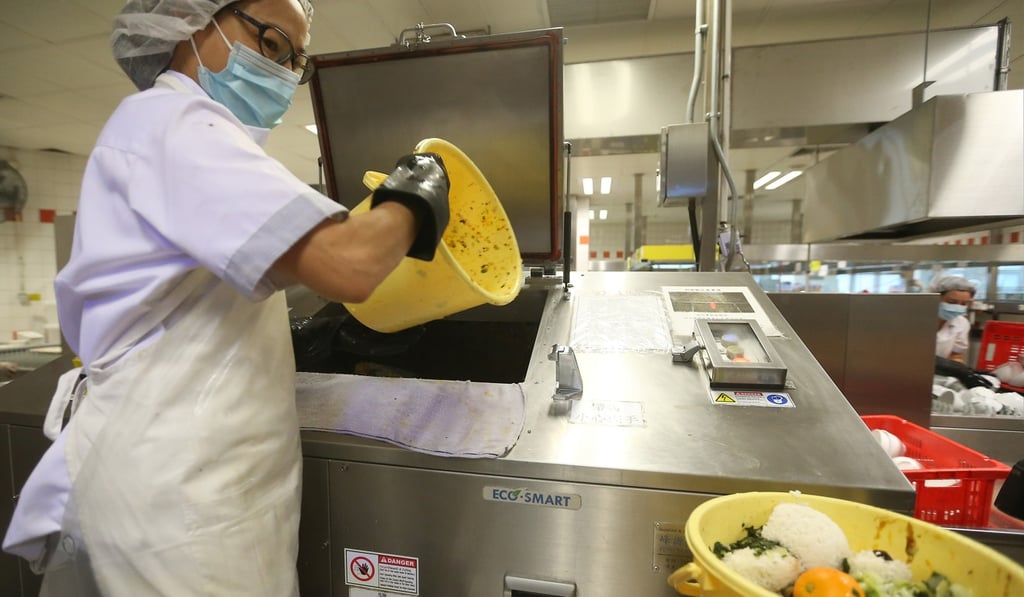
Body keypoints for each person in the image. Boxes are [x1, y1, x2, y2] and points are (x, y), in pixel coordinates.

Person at [2, 1, 449, 595]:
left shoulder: (192, 135)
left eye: (297, 60)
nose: (284, 73)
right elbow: (350, 264)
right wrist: (414, 196)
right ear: (195, 22)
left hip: (201, 487)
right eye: (270, 43)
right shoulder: (173, 123)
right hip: (178, 503)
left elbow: (184, 298)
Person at [928, 275, 976, 363]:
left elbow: (955, 354)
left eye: (964, 304)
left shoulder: (962, 323)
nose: (957, 307)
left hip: (939, 373)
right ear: (935, 297)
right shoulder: (915, 319)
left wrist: (958, 368)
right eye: (952, 302)